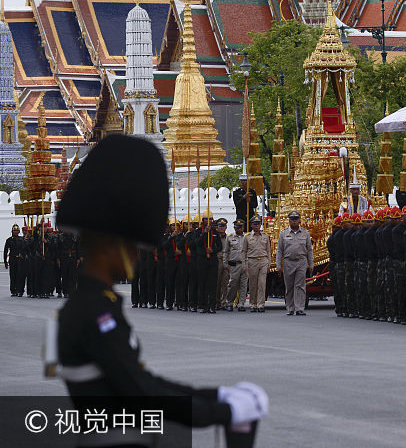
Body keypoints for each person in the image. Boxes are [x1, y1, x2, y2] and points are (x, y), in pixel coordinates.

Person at [52, 134, 268, 444]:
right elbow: (141, 392)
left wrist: (217, 395)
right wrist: (219, 412)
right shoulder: (94, 314)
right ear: (112, 247)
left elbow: (142, 382)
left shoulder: (96, 305)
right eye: (131, 245)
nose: (136, 253)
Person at [276, 211, 313, 316]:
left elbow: (309, 250)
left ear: (299, 220)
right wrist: (278, 265)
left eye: (296, 219)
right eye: (292, 219)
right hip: (288, 262)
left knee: (300, 286)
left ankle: (300, 308)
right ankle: (290, 308)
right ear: (289, 220)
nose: (294, 221)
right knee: (289, 286)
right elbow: (279, 250)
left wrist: (311, 264)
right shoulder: (284, 233)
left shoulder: (305, 233)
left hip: (301, 262)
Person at [243, 217, 270, 313]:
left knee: (262, 284)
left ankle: (261, 304)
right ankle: (253, 304)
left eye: (258, 224)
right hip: (252, 261)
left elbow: (268, 251)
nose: (257, 225)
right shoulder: (247, 237)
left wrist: (268, 264)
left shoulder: (265, 236)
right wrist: (244, 265)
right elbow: (244, 251)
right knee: (253, 284)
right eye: (255, 224)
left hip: (263, 260)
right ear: (251, 225)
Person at [222, 220, 246, 311]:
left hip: (244, 264)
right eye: (236, 227)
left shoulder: (246, 237)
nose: (238, 229)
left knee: (243, 285)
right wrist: (225, 264)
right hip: (234, 264)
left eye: (240, 227)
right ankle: (230, 302)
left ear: (243, 228)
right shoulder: (230, 237)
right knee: (233, 284)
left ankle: (241, 303)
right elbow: (226, 252)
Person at [5, 224, 24, 297]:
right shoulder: (9, 240)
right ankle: (13, 290)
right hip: (12, 259)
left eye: (16, 230)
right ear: (12, 231)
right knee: (12, 275)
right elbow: (6, 251)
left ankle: (19, 290)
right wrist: (5, 261)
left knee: (19, 275)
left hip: (20, 259)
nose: (15, 232)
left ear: (19, 232)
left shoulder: (22, 239)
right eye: (14, 230)